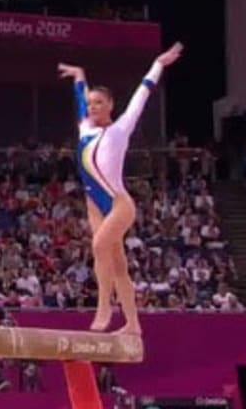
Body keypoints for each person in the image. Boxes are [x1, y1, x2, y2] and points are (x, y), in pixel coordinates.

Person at [57, 41, 183, 334]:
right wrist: (79, 75)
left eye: (99, 102)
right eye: (91, 103)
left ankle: (104, 309)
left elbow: (142, 94)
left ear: (111, 105)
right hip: (93, 204)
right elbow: (79, 97)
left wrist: (158, 64)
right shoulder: (84, 128)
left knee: (99, 246)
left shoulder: (120, 128)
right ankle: (133, 324)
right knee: (117, 265)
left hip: (118, 204)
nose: (93, 107)